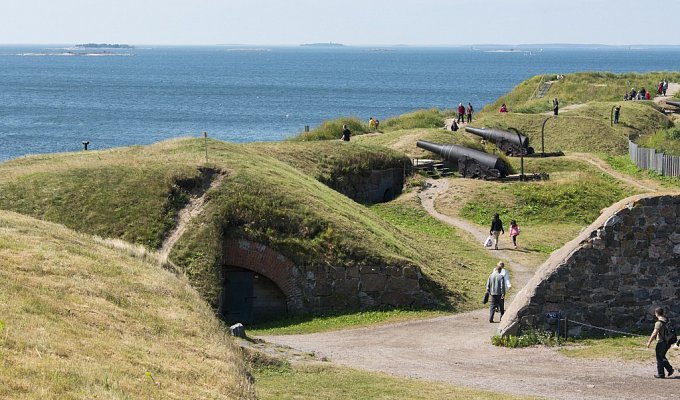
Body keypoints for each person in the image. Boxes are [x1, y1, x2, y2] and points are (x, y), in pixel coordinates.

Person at [646, 307, 674, 378]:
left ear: (656, 313)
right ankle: (670, 369)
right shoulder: (667, 321)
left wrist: (649, 342)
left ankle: (661, 374)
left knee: (659, 358)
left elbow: (654, 333)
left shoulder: (658, 323)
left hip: (661, 343)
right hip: (668, 342)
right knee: (662, 356)